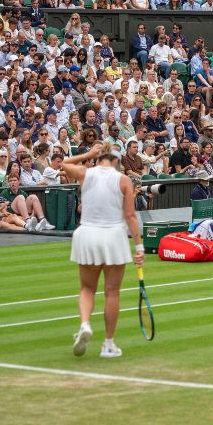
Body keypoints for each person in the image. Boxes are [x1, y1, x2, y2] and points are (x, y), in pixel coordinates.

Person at [63, 143, 144, 359]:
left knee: (87, 289)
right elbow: (130, 216)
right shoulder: (123, 180)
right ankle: (108, 344)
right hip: (112, 237)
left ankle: (84, 324)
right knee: (112, 292)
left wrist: (87, 155)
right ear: (116, 160)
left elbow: (64, 163)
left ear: (99, 158)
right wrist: (139, 246)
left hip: (87, 236)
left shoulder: (85, 173)